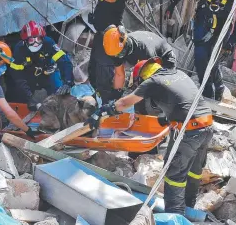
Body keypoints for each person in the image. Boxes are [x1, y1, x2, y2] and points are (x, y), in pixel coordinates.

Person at [86, 57, 213, 215]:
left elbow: (125, 103)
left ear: (141, 77)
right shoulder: (178, 73)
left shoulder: (152, 82)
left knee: (174, 175)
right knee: (194, 170)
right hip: (207, 125)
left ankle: (175, 217)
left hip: (188, 132)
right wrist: (167, 119)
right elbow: (184, 100)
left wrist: (103, 110)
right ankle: (189, 206)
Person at [87, 0, 129, 104]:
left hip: (110, 41)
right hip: (101, 39)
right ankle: (99, 99)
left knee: (106, 77)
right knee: (94, 73)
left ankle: (110, 106)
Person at [10, 20, 74, 108]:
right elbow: (17, 76)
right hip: (29, 76)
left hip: (47, 73)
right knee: (24, 102)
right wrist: (28, 95)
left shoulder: (48, 43)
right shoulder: (19, 49)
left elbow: (64, 62)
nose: (36, 43)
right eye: (32, 40)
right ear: (25, 41)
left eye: (38, 39)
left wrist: (68, 82)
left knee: (59, 97)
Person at [102, 25, 176, 91]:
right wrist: (116, 93)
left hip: (164, 57)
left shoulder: (145, 52)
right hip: (139, 55)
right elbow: (119, 74)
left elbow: (152, 80)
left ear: (125, 45)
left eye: (119, 54)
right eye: (115, 55)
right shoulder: (116, 48)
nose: (116, 57)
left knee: (162, 86)